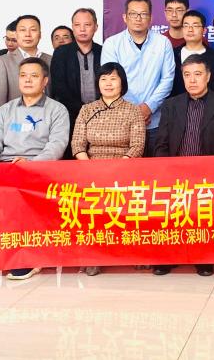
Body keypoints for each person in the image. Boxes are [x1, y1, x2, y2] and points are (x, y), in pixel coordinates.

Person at [0, 57, 70, 280]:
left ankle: (29, 258)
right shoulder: (6, 110)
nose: (27, 80)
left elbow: (57, 145)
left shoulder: (57, 110)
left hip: (39, 169)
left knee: (24, 198)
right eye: (23, 76)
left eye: (34, 76)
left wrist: (32, 164)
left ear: (45, 81)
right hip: (5, 167)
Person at [153, 54, 214, 277]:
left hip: (207, 175)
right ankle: (169, 257)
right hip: (174, 174)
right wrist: (167, 171)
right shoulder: (171, 105)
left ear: (208, 77)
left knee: (201, 215)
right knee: (170, 216)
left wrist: (207, 172)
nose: (192, 80)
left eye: (198, 74)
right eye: (187, 75)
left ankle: (202, 258)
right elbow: (161, 144)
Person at [70, 62, 145, 276]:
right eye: (103, 79)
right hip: (90, 169)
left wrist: (116, 170)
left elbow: (137, 146)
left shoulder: (133, 111)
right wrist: (91, 169)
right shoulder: (87, 109)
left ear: (122, 82)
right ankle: (94, 255)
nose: (108, 83)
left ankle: (132, 252)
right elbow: (77, 144)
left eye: (113, 78)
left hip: (124, 170)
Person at [100, 0, 175, 157]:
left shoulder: (163, 43)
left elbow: (167, 80)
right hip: (122, 122)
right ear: (125, 17)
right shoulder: (112, 44)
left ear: (151, 17)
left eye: (143, 14)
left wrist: (149, 107)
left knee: (157, 169)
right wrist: (134, 113)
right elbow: (110, 82)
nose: (138, 18)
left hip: (155, 121)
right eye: (133, 14)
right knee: (126, 169)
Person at [50, 8, 103, 148]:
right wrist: (82, 111)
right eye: (77, 25)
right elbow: (59, 87)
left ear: (96, 27)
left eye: (87, 25)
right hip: (70, 116)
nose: (82, 29)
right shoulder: (61, 53)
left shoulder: (103, 51)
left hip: (102, 116)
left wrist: (99, 110)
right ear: (73, 27)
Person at [0, 15, 52, 113]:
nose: (28, 34)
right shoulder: (3, 62)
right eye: (23, 30)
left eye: (33, 30)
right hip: (15, 120)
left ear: (40, 35)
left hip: (48, 119)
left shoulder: (50, 60)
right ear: (16, 34)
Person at [171, 10, 214, 97]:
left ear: (204, 30)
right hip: (176, 104)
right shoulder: (172, 54)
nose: (190, 30)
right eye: (186, 26)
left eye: (195, 26)